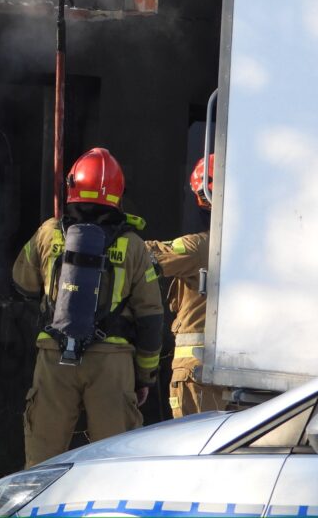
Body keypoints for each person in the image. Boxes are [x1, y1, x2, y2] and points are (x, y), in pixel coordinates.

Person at [13, 147, 164, 468]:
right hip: (112, 363)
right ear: (118, 193)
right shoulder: (133, 245)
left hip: (55, 358)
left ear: (73, 186)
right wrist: (144, 377)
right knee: (114, 464)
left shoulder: (48, 233)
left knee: (42, 461)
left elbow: (21, 283)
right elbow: (151, 317)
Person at [145, 154, 228, 418]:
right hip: (239, 377)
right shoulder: (260, 249)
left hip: (197, 374)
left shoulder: (200, 247)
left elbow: (145, 257)